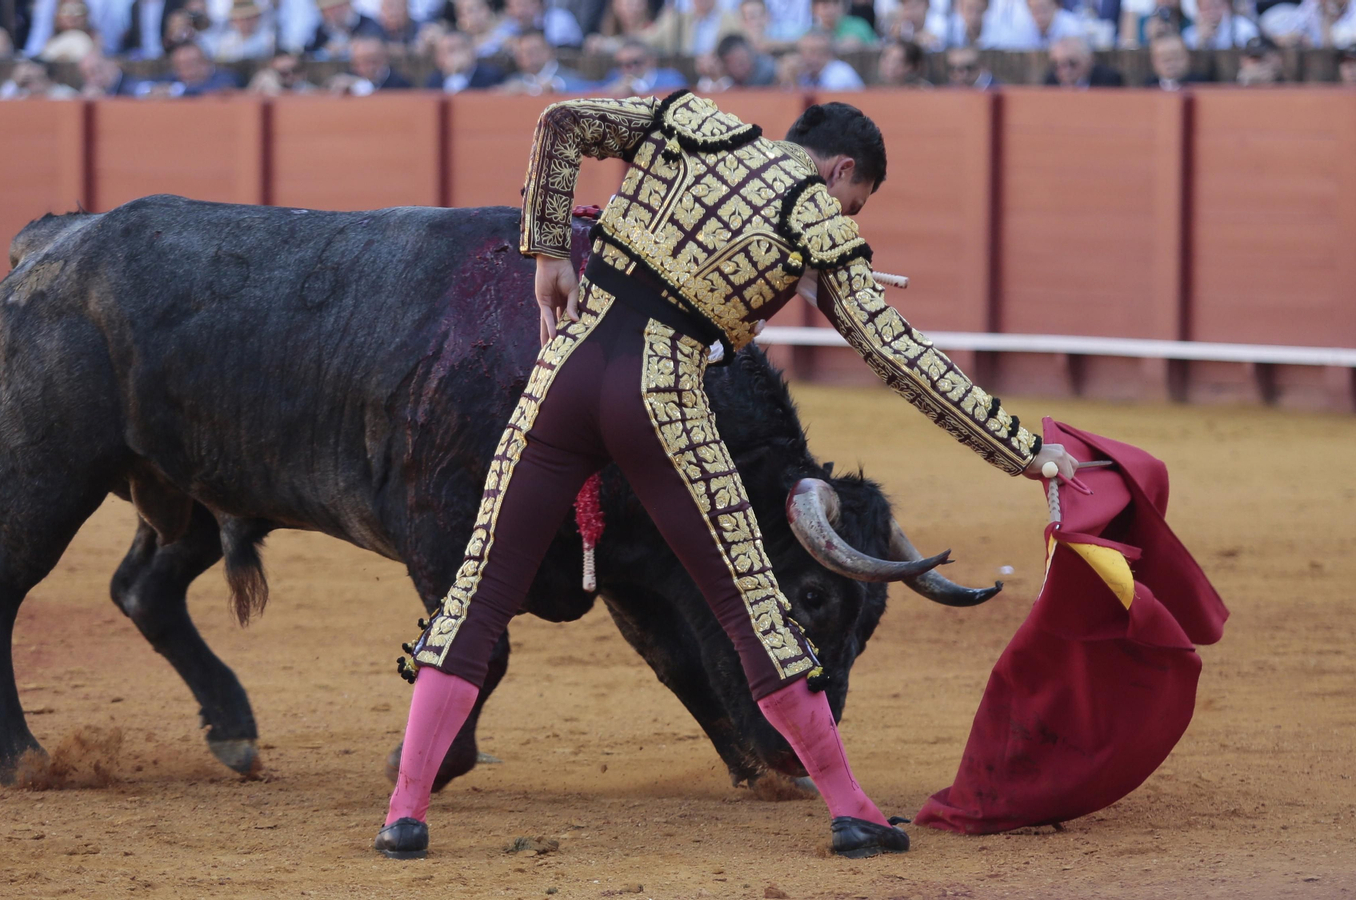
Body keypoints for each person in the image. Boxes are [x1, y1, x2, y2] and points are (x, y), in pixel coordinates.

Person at [375, 91, 1078, 862]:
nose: (850, 219)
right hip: (660, 395)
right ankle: (852, 811)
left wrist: (547, 251)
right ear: (842, 169)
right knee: (752, 608)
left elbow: (561, 122)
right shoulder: (815, 222)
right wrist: (1024, 450)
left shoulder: (696, 123)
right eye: (857, 202)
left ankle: (405, 814)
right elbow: (900, 358)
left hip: (565, 373)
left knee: (477, 593)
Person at [499, 27, 586, 93]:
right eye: (525, 52)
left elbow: (589, 89)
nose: (531, 56)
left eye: (535, 50)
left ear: (550, 51)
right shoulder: (514, 81)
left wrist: (557, 85)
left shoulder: (571, 77)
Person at [646, 0, 744, 55]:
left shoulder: (732, 19)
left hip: (722, 76)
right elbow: (651, 39)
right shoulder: (680, 19)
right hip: (687, 74)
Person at [595, 35, 688, 94]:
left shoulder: (670, 77)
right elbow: (594, 91)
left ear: (651, 61)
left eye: (635, 62)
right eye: (622, 64)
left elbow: (680, 96)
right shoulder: (615, 76)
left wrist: (638, 89)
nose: (628, 68)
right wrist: (611, 92)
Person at [326, 32, 411, 90]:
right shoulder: (348, 82)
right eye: (360, 62)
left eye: (373, 61)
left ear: (385, 59)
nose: (368, 67)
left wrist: (365, 87)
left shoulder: (401, 85)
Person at [784, 27, 864, 88]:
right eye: (804, 52)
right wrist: (792, 79)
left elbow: (825, 105)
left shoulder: (840, 73)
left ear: (828, 54)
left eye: (813, 52)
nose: (808, 58)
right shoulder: (803, 74)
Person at [305, 0, 382, 57]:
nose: (334, 13)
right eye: (329, 9)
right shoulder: (321, 30)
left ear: (348, 5)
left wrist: (347, 47)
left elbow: (378, 43)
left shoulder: (368, 24)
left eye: (338, 7)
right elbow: (309, 52)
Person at [160, 38, 240, 93]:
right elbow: (150, 83)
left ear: (206, 62)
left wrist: (175, 91)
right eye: (181, 65)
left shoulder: (225, 78)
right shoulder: (173, 79)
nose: (187, 70)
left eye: (191, 64)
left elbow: (215, 91)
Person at [202, 0, 274, 59]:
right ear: (233, 21)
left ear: (257, 18)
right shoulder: (226, 43)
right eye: (240, 19)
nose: (245, 23)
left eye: (249, 18)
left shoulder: (269, 39)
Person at [1043, 33, 1124, 83]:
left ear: (1088, 60)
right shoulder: (1051, 82)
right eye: (1057, 66)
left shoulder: (1108, 80)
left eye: (1072, 63)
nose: (1065, 71)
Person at [1181, 0, 1258, 46]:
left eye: (1215, 6)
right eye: (1205, 8)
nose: (1211, 12)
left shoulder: (1244, 28)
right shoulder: (1189, 34)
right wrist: (1201, 42)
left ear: (1225, 5)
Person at [1144, 31, 1209, 85]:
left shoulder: (1202, 84)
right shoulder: (1146, 88)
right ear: (1154, 62)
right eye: (1165, 60)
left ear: (1188, 58)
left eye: (1177, 58)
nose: (1172, 64)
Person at [810, 0, 878, 48]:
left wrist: (860, 44)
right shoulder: (809, 33)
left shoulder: (860, 25)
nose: (831, 9)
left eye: (835, 3)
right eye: (825, 6)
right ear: (814, 8)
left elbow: (877, 46)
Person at [0, 58, 80, 96]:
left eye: (37, 80)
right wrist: (14, 82)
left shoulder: (65, 95)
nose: (30, 86)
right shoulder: (23, 95)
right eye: (27, 80)